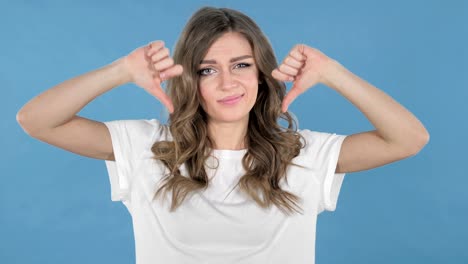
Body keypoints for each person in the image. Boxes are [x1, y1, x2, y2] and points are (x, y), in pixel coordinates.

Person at [16, 6, 429, 264]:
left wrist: (332, 72)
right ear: (189, 81)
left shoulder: (303, 155)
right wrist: (120, 71)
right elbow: (36, 120)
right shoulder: (147, 148)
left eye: (242, 65)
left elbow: (409, 139)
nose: (228, 83)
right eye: (207, 69)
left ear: (262, 74)